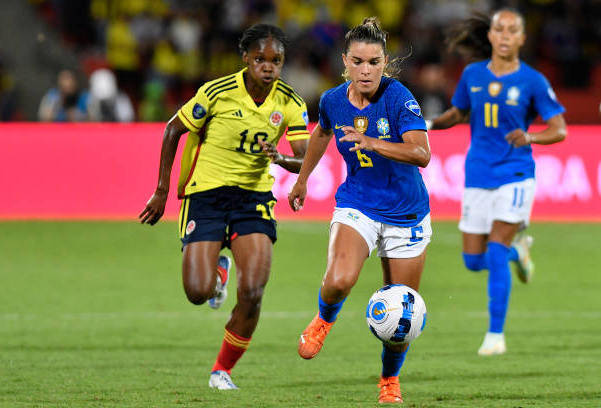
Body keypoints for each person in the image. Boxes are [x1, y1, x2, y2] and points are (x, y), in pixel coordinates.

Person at [139, 23, 310, 390]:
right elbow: (173, 129)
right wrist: (161, 190)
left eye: (276, 60)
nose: (268, 66)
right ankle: (218, 270)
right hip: (207, 195)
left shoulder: (291, 103)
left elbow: (305, 158)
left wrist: (283, 160)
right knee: (197, 293)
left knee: (254, 291)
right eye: (260, 59)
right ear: (245, 59)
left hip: (254, 198)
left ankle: (222, 371)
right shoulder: (217, 92)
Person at [288, 17, 431, 404]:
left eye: (374, 63)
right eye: (358, 62)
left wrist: (374, 142)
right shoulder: (334, 100)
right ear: (345, 62)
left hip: (406, 214)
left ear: (386, 62)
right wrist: (302, 180)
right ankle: (324, 320)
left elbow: (422, 154)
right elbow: (321, 133)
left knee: (400, 317)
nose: (366, 70)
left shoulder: (400, 98)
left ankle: (389, 381)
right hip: (359, 204)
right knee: (338, 280)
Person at [426, 8, 566, 356]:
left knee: (496, 249)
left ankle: (495, 335)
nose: (504, 35)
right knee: (473, 261)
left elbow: (559, 128)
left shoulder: (532, 81)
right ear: (489, 36)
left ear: (522, 38)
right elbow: (458, 112)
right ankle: (519, 250)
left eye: (512, 30)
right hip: (478, 173)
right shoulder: (472, 74)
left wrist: (531, 138)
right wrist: (426, 124)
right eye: (499, 29)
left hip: (515, 175)